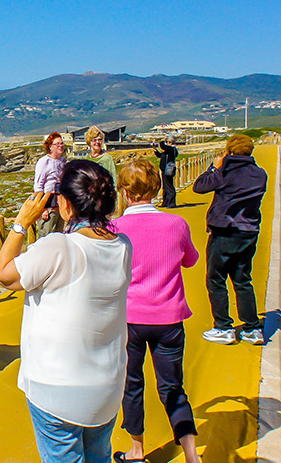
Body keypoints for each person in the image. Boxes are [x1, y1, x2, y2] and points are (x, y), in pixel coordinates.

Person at [0, 160, 132, 463]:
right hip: (108, 383)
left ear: (66, 203)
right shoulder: (123, 245)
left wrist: (21, 223)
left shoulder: (59, 247)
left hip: (56, 387)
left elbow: (3, 274)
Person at [112, 160, 201, 463]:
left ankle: (137, 450)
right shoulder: (176, 224)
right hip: (169, 317)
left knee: (132, 384)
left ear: (124, 192)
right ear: (157, 187)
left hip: (130, 320)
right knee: (173, 387)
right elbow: (190, 260)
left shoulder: (116, 229)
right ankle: (191, 454)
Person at [193, 134, 268, 345]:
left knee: (216, 280)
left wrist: (215, 167)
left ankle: (223, 327)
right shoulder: (260, 174)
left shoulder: (225, 172)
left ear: (229, 151)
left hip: (224, 231)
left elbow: (199, 187)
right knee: (243, 279)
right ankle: (252, 329)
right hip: (249, 232)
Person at [33, 131, 67, 236]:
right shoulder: (44, 162)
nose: (60, 146)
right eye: (57, 144)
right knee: (46, 236)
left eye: (61, 143)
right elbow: (38, 185)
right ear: (50, 146)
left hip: (60, 206)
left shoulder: (63, 162)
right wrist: (43, 208)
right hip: (48, 207)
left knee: (58, 237)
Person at [153, 136, 179, 208]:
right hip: (164, 170)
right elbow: (161, 155)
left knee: (169, 186)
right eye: (167, 142)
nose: (168, 143)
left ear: (173, 143)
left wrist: (161, 140)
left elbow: (163, 146)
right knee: (165, 186)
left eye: (169, 142)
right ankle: (166, 202)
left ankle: (171, 203)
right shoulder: (168, 151)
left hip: (168, 170)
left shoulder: (172, 149)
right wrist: (155, 150)